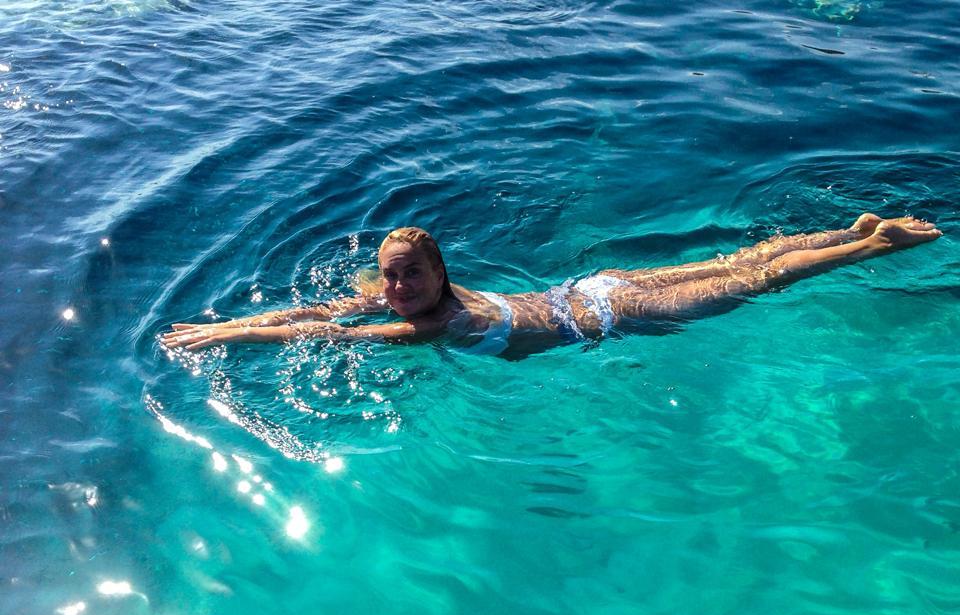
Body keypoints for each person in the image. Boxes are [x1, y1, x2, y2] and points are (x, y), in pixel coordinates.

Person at [161, 215, 941, 358]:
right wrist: (234, 321)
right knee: (741, 261)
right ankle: (848, 228)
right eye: (390, 278)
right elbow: (322, 310)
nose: (395, 289)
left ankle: (872, 245)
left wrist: (229, 333)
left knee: (759, 279)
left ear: (440, 274)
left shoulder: (435, 323)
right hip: (595, 287)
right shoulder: (423, 299)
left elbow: (326, 334)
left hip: (611, 312)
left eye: (410, 275)